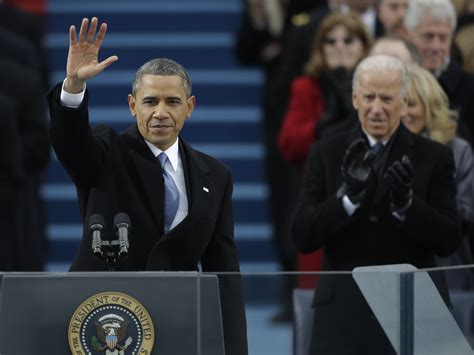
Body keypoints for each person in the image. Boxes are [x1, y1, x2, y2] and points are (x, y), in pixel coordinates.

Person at [47, 17, 247, 355]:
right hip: (102, 317)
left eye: (172, 102)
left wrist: (235, 349)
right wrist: (73, 86)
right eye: (150, 101)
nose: (160, 113)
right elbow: (72, 146)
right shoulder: (106, 150)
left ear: (190, 107)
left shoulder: (216, 174)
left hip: (175, 320)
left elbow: (224, 272)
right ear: (132, 105)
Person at [292, 54, 461, 354]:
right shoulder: (326, 152)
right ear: (355, 98)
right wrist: (346, 200)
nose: (377, 108)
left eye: (387, 98)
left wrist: (407, 206)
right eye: (369, 97)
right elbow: (302, 235)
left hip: (413, 312)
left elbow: (449, 239)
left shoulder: (434, 156)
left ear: (404, 100)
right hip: (342, 318)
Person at [401, 65, 474, 289]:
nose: (404, 113)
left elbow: (464, 213)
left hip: (445, 268)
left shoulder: (457, 150)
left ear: (430, 106)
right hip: (392, 268)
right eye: (398, 104)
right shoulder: (379, 149)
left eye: (411, 104)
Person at [405, 0, 474, 145]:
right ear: (409, 35)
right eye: (428, 36)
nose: (436, 46)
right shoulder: (394, 80)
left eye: (443, 37)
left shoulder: (469, 87)